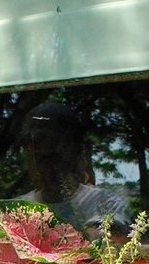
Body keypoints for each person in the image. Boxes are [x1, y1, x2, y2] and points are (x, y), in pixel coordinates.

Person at [17, 102, 131, 239]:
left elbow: (104, 249)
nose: (46, 167)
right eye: (38, 157)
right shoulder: (18, 209)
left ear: (76, 155)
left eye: (53, 156)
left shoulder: (104, 203)